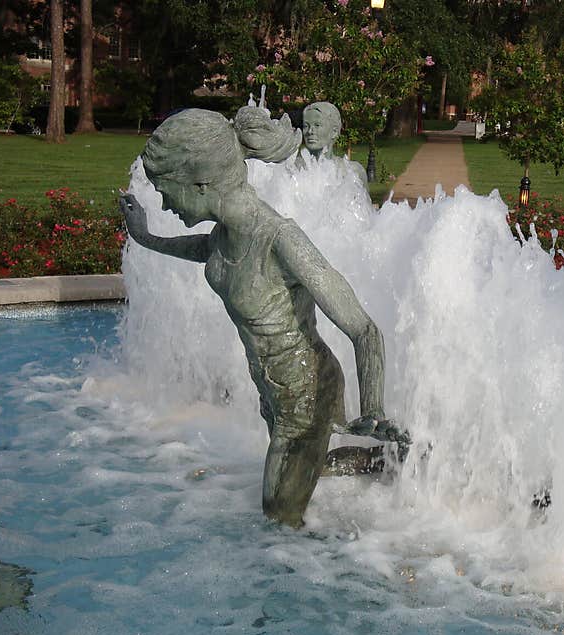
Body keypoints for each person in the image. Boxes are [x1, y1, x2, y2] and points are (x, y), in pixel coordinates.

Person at [119, 107, 407, 528]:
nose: (163, 202)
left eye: (167, 190)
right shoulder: (225, 235)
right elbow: (202, 250)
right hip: (274, 391)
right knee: (307, 470)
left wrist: (374, 407)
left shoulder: (280, 237)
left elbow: (363, 328)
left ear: (200, 182)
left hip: (307, 395)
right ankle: (386, 463)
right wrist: (144, 237)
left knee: (278, 517)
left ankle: (332, 573)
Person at [297, 101, 367, 183]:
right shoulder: (294, 169)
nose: (310, 131)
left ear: (334, 131)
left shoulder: (352, 171)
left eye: (317, 125)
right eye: (306, 126)